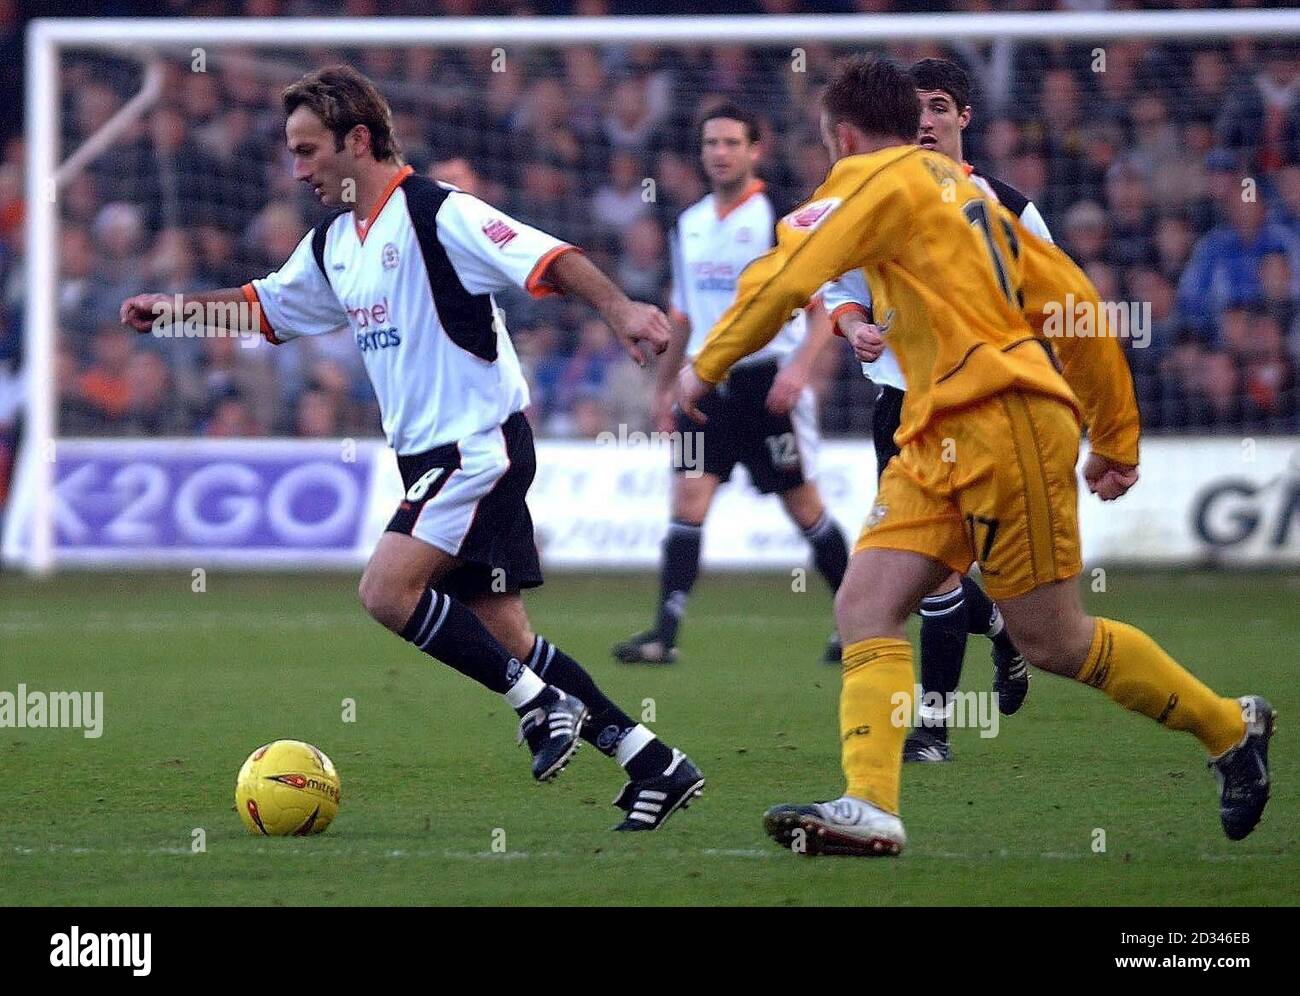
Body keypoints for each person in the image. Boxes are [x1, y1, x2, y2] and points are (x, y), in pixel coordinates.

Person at [678, 56, 1273, 856]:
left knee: (1054, 643)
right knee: (864, 604)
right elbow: (1074, 305)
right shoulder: (976, 198)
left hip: (1004, 421)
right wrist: (1113, 434)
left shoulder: (868, 184)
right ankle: (872, 804)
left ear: (844, 136)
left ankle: (1232, 728)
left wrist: (704, 365)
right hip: (938, 430)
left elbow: (786, 275)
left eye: (829, 147)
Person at [122, 65, 704, 831]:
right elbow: (264, 309)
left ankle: (538, 705)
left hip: (474, 445)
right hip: (435, 454)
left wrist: (624, 309)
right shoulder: (336, 242)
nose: (298, 169)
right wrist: (173, 315)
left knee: (385, 592)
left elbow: (549, 257)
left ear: (356, 140)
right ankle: (653, 762)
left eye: (307, 150)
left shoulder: (438, 213)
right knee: (508, 637)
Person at [821, 59, 1045, 762]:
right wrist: (855, 325)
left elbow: (1051, 303)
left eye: (940, 106)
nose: (926, 119)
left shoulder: (1006, 203)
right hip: (899, 406)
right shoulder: (877, 205)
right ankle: (1003, 631)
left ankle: (934, 731)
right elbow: (840, 290)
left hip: (980, 410)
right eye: (915, 107)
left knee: (934, 574)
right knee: (922, 578)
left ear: (964, 118)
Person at [613, 102, 850, 667]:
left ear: (754, 150)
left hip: (767, 385)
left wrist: (799, 370)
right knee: (688, 499)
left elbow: (823, 307)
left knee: (804, 507)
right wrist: (664, 389)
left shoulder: (779, 220)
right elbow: (683, 316)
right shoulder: (689, 224)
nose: (719, 153)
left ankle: (857, 623)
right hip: (704, 389)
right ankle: (663, 637)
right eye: (710, 144)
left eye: (730, 143)